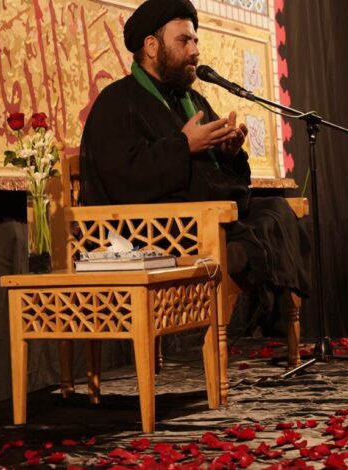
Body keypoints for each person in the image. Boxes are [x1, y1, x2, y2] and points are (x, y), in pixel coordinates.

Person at [79, 0, 309, 335]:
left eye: (195, 41)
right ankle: (241, 275)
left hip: (207, 217)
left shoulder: (193, 101)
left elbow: (219, 177)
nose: (195, 50)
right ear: (151, 46)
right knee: (249, 231)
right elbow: (122, 175)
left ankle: (251, 279)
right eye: (184, 40)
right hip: (153, 229)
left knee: (275, 209)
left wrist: (229, 154)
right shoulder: (117, 102)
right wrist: (183, 145)